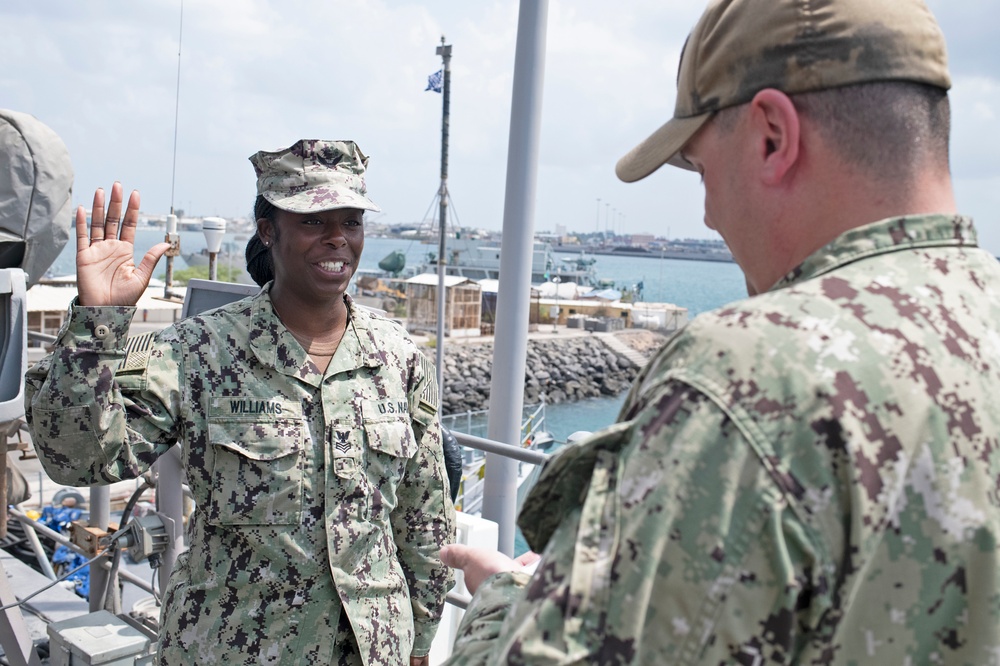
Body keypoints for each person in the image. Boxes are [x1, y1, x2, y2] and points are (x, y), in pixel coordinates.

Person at [440, 0, 1000, 663]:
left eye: (703, 171)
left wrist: (509, 600)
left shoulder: (750, 378)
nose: (706, 215)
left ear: (772, 136)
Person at [24, 139, 455, 666]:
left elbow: (424, 514)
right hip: (234, 648)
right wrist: (96, 326)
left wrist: (420, 641)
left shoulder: (398, 358)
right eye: (314, 222)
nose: (338, 238)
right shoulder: (199, 351)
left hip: (374, 650)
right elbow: (76, 459)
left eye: (352, 221)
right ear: (269, 231)